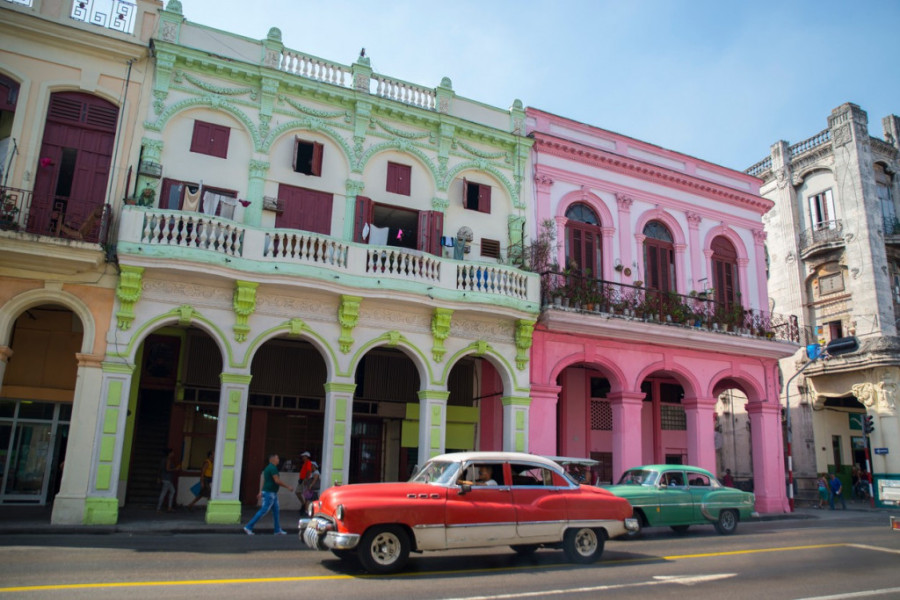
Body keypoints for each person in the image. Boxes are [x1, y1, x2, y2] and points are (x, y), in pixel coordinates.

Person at [243, 454, 294, 535]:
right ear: (273, 459)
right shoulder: (273, 468)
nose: (278, 459)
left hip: (271, 493)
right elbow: (276, 480)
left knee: (276, 511)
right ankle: (248, 527)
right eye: (277, 458)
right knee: (263, 510)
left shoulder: (268, 468)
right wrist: (288, 486)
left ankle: (277, 530)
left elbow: (265, 480)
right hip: (270, 493)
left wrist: (261, 491)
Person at [156, 448, 179, 513]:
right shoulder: (168, 460)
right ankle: (159, 508)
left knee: (172, 491)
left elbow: (160, 469)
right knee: (164, 493)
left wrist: (159, 477)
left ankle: (169, 507)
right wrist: (175, 469)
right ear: (169, 453)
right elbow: (167, 469)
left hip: (164, 478)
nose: (173, 454)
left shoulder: (163, 459)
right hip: (167, 478)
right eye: (172, 452)